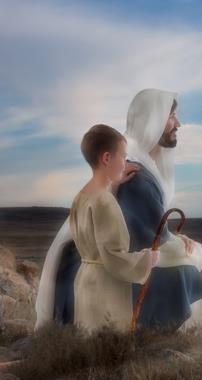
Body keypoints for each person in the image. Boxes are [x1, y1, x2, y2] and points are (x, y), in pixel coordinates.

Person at [35, 88, 202, 332]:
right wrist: (200, 252)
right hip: (111, 278)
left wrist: (176, 240)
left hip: (88, 275)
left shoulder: (116, 179)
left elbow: (146, 229)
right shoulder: (136, 178)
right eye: (171, 116)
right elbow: (148, 244)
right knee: (186, 274)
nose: (178, 123)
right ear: (153, 121)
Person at [68, 124, 159, 332]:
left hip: (85, 280)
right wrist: (149, 259)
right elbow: (114, 258)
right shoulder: (105, 201)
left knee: (88, 339)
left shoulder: (81, 196)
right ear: (107, 158)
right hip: (105, 287)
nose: (126, 162)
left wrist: (114, 183)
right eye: (123, 157)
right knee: (108, 342)